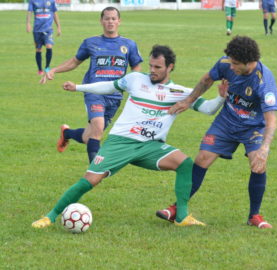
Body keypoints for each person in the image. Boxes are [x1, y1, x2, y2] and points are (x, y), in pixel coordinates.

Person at [32, 45, 226, 229]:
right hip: (120, 142)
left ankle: (182, 217)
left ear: (170, 67)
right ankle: (50, 216)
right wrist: (78, 87)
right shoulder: (135, 79)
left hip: (151, 146)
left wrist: (221, 97)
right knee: (90, 180)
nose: (152, 70)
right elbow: (109, 86)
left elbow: (208, 109)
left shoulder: (179, 93)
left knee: (185, 165)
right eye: (150, 66)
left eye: (157, 67)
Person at [156, 36, 277, 229]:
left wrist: (265, 148)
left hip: (252, 128)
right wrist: (188, 101)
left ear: (249, 63)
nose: (231, 67)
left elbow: (271, 119)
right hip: (226, 122)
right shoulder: (225, 63)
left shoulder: (264, 81)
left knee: (258, 164)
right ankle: (176, 208)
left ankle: (254, 216)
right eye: (231, 62)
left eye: (236, 64)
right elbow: (206, 79)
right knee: (202, 159)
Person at [40, 6, 143, 164]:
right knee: (98, 127)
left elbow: (136, 66)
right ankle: (94, 172)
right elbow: (74, 62)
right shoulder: (91, 42)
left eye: (113, 18)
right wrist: (54, 70)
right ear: (101, 21)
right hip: (93, 92)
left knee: (91, 135)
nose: (110, 21)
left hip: (115, 95)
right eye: (107, 18)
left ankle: (66, 133)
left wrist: (133, 85)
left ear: (119, 21)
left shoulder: (129, 44)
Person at [26, 0, 62, 75]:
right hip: (37, 29)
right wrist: (28, 24)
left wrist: (58, 27)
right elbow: (29, 12)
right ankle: (39, 69)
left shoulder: (51, 1)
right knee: (38, 49)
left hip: (48, 29)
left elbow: (55, 13)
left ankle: (47, 67)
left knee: (49, 46)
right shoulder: (33, 1)